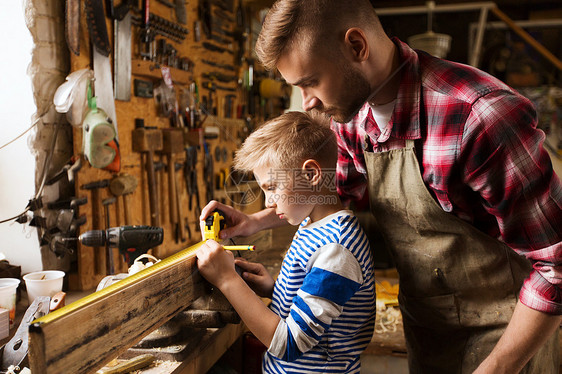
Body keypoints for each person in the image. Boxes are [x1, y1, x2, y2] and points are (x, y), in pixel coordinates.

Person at [200, 0, 562, 373]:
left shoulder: (480, 117)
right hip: (429, 334)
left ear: (357, 47)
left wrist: (497, 367)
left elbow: (556, 266)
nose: (308, 103)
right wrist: (254, 222)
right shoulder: (353, 119)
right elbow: (334, 191)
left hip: (509, 345)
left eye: (311, 82)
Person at [196, 111, 376, 373]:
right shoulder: (311, 223)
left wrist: (227, 279)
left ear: (312, 175)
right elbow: (317, 304)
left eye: (271, 187)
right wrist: (276, 289)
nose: (268, 202)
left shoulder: (337, 249)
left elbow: (289, 343)